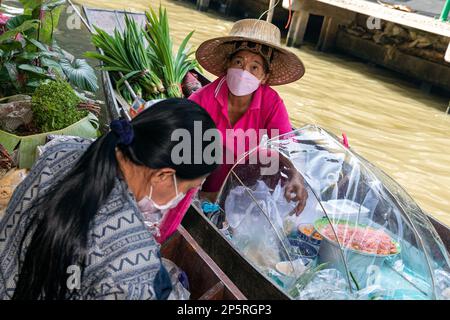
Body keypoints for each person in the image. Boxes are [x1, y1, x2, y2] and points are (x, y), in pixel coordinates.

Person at [0, 98, 219, 300]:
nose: (181, 199)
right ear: (163, 176)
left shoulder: (60, 151)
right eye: (188, 188)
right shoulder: (132, 264)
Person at [190, 19, 308, 213]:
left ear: (264, 77)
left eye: (254, 67)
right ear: (228, 65)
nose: (244, 71)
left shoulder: (271, 102)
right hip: (201, 184)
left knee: (270, 160)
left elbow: (287, 145)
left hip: (240, 186)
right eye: (238, 62)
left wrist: (296, 175)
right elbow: (182, 148)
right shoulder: (202, 99)